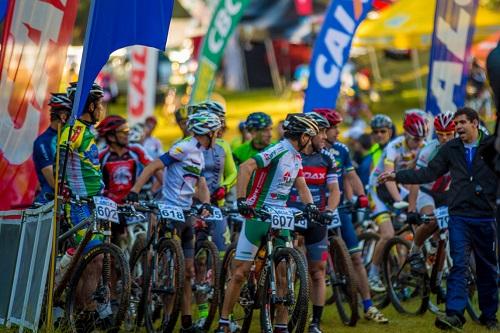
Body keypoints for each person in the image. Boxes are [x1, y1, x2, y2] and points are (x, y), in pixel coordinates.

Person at [378, 107, 499, 331]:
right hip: (460, 215)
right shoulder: (450, 149)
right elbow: (427, 174)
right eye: (456, 123)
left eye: (462, 122)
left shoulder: (491, 146)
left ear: (474, 123)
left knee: (487, 268)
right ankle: (454, 314)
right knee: (459, 265)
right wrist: (397, 174)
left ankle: (489, 316)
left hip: (485, 216)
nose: (458, 127)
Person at [215, 114, 322, 333]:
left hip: (280, 214)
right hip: (257, 213)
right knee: (240, 273)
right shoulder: (278, 150)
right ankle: (224, 321)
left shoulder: (296, 158)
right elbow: (245, 167)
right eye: (310, 137)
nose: (311, 141)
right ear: (302, 136)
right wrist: (242, 199)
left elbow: (302, 186)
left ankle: (281, 326)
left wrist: (311, 206)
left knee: (284, 274)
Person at [127, 109, 221, 333]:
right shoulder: (183, 147)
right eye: (215, 132)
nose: (217, 136)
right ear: (206, 132)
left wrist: (206, 204)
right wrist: (135, 190)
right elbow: (153, 166)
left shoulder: (199, 153)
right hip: (168, 208)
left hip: (186, 212)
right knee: (167, 268)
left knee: (187, 272)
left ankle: (186, 322)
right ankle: (162, 307)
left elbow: (201, 185)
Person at [318, 108, 388, 323]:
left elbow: (351, 175)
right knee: (315, 265)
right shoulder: (307, 152)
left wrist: (361, 196)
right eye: (334, 128)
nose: (338, 131)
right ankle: (309, 311)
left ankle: (368, 305)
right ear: (321, 130)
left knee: (356, 258)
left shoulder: (341, 150)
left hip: (339, 208)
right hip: (315, 210)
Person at [287, 112, 341, 333]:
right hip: (291, 216)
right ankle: (284, 312)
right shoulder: (292, 157)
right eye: (321, 133)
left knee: (318, 271)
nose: (325, 138)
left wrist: (329, 210)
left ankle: (315, 322)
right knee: (290, 267)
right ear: (309, 134)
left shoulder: (327, 158)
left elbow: (334, 190)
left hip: (316, 218)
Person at [366, 110, 428, 292]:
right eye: (416, 139)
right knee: (387, 234)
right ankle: (373, 274)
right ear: (407, 134)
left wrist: (412, 206)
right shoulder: (394, 147)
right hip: (379, 188)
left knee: (414, 225)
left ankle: (404, 274)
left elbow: (416, 179)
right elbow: (387, 176)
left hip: (398, 187)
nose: (419, 143)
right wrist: (399, 200)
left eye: (422, 139)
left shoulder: (423, 147)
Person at [97, 115, 161, 244]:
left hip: (132, 202)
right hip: (111, 206)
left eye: (128, 131)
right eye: (123, 132)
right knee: (117, 242)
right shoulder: (102, 156)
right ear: (110, 137)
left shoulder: (136, 150)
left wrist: (164, 188)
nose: (128, 134)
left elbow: (155, 168)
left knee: (149, 238)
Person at [405, 112, 456, 275]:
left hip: (446, 194)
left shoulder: (461, 149)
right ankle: (414, 252)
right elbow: (416, 180)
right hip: (426, 192)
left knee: (444, 236)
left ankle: (439, 277)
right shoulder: (428, 151)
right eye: (441, 135)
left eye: (449, 134)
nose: (445, 138)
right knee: (430, 222)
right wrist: (411, 209)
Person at [32, 93, 72, 203]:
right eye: (71, 114)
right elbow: (53, 181)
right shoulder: (43, 142)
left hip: (67, 199)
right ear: (63, 116)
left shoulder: (70, 137)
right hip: (49, 202)